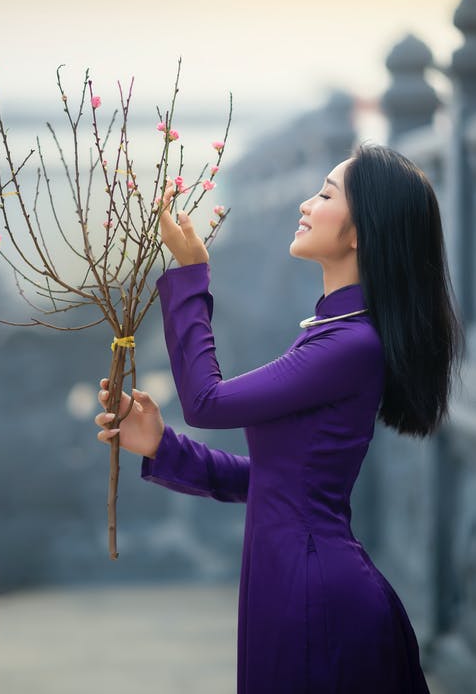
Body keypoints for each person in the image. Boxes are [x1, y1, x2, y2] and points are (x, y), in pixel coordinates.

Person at [95, 143, 464, 693]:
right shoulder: (331, 334)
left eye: (326, 194)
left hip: (315, 601)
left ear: (363, 231)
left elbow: (206, 402)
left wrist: (192, 276)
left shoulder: (350, 344)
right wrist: (161, 447)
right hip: (290, 585)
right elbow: (277, 481)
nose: (306, 202)